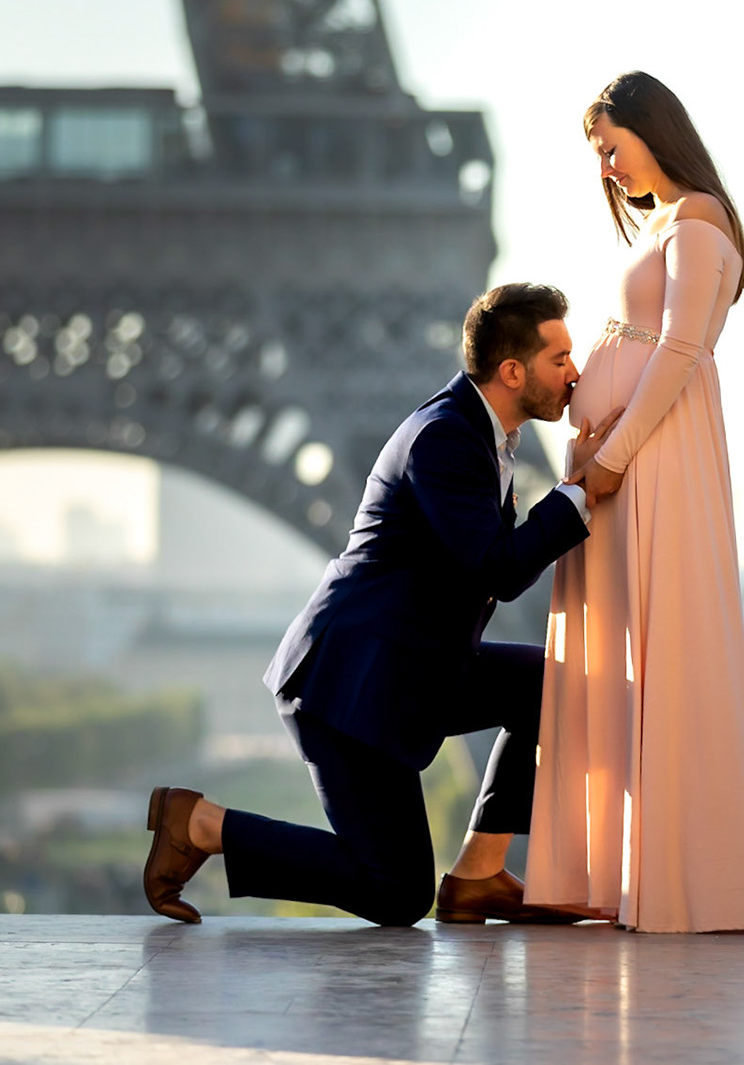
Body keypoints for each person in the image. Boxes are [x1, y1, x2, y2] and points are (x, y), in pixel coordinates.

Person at [142, 283, 622, 926]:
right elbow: (497, 569)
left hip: (416, 666)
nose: (575, 373)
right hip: (351, 684)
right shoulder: (445, 438)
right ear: (512, 371)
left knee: (551, 685)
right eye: (559, 359)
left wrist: (570, 492)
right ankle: (201, 824)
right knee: (397, 893)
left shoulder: (481, 437)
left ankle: (478, 874)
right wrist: (577, 493)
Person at [526, 72, 744, 932]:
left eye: (611, 146)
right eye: (599, 154)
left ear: (652, 128)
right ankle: (631, 876)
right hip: (633, 456)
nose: (606, 167)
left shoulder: (697, 220)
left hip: (652, 462)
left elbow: (679, 352)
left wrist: (612, 457)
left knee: (661, 650)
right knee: (629, 656)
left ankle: (679, 882)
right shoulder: (669, 222)